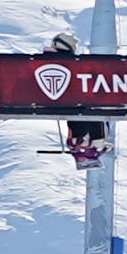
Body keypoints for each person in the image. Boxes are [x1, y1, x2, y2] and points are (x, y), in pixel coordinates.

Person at [46, 32, 107, 167]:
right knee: (90, 105)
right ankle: (90, 142)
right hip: (72, 101)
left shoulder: (40, 62)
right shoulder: (72, 65)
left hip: (46, 100)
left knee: (78, 105)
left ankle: (82, 142)